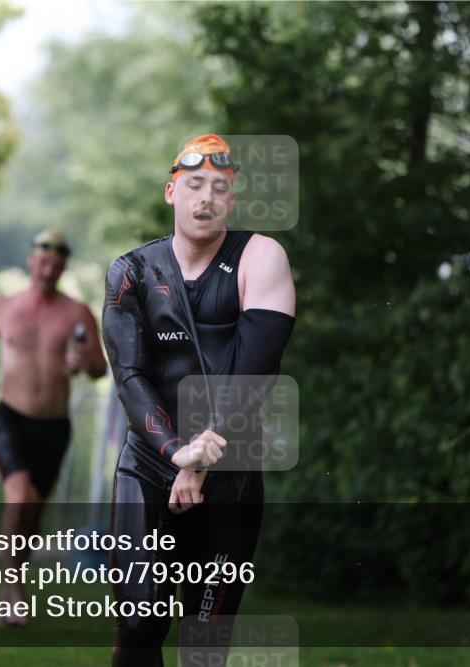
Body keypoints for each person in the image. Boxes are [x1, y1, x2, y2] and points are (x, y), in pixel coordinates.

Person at [102, 134, 296, 665]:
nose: (205, 198)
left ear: (231, 200)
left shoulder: (263, 257)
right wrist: (175, 453)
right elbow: (130, 376)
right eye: (193, 185)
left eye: (218, 188)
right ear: (171, 192)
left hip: (230, 468)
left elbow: (254, 374)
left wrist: (204, 455)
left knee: (204, 645)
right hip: (149, 465)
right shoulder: (131, 273)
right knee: (140, 625)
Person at [0, 229, 107, 625]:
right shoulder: (2, 306)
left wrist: (84, 363)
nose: (48, 270)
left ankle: (15, 584)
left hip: (54, 426)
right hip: (10, 416)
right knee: (20, 497)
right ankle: (9, 592)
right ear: (31, 262)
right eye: (42, 262)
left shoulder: (77, 313)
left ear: (62, 268)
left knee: (33, 512)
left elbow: (99, 369)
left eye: (56, 265)